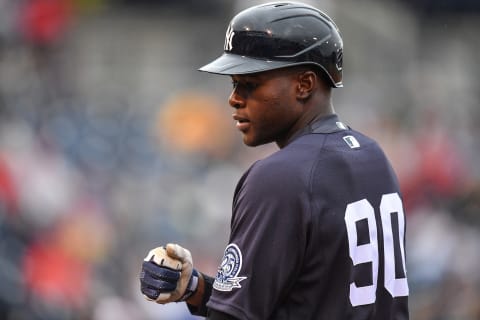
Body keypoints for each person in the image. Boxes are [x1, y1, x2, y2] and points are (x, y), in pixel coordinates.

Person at [139, 2, 410, 319]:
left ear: (304, 84)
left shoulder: (280, 176)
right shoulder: (373, 156)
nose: (234, 98)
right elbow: (313, 298)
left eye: (250, 84)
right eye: (234, 83)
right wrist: (196, 288)